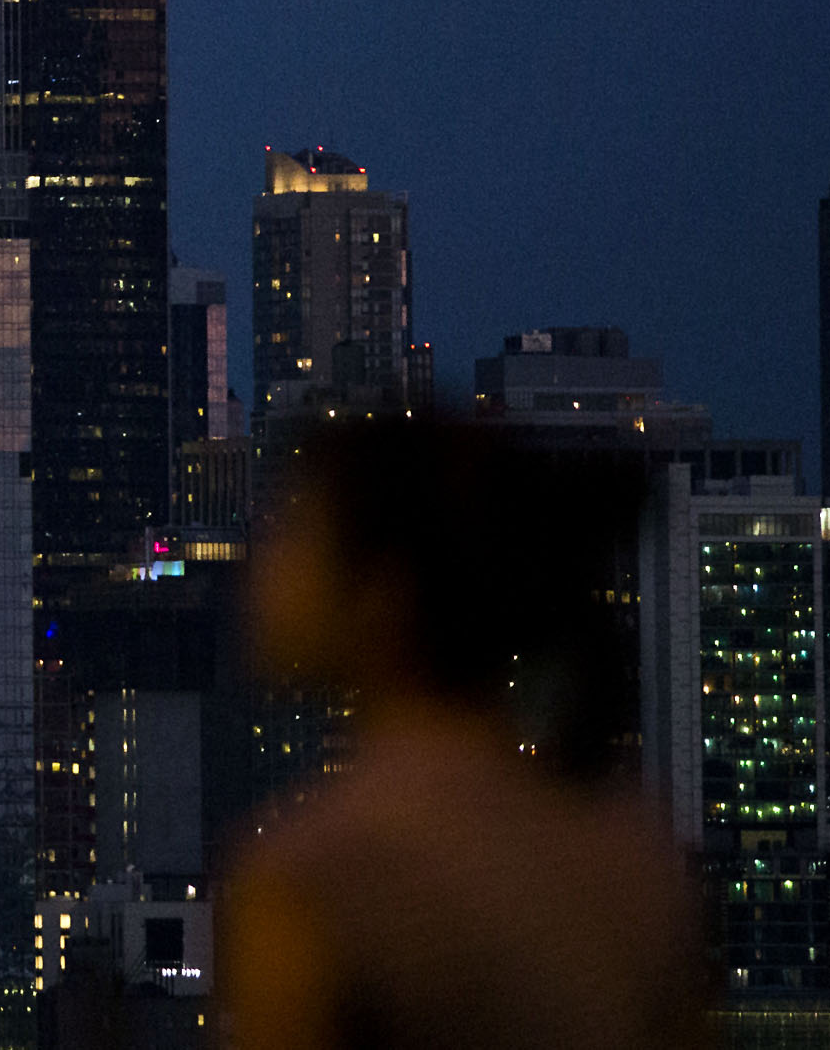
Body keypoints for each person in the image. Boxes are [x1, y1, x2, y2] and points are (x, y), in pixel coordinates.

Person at [222, 416, 707, 1049]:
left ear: (383, 594)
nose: (265, 562)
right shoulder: (638, 866)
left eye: (296, 531)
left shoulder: (313, 888)